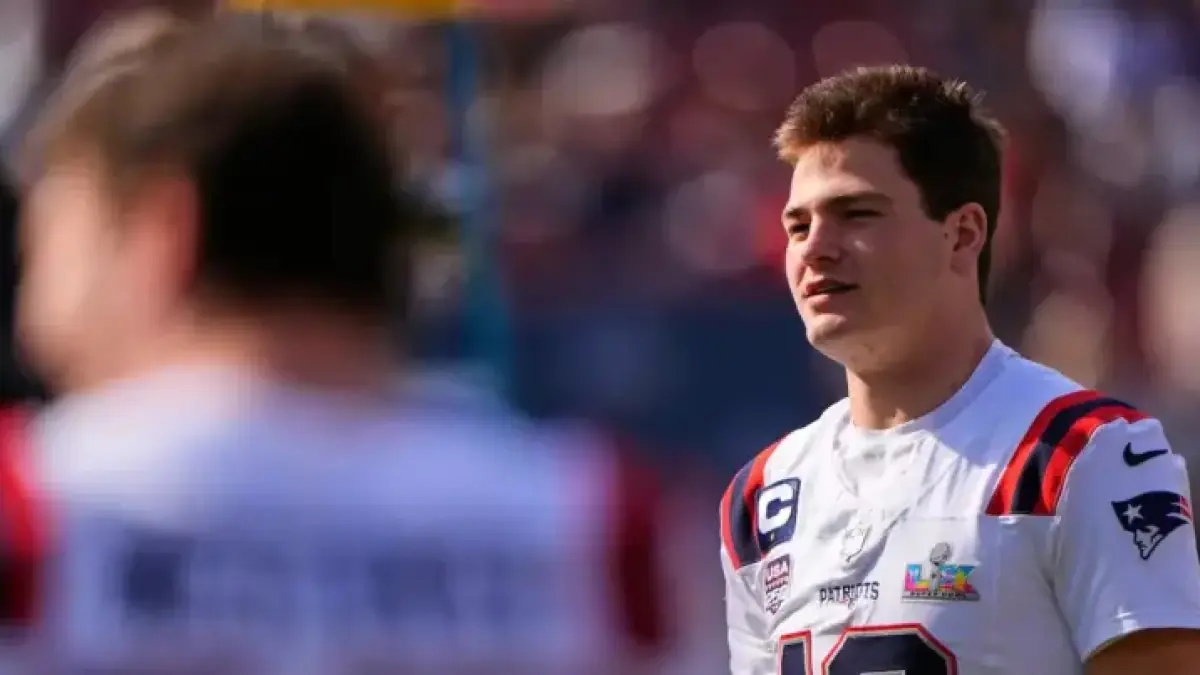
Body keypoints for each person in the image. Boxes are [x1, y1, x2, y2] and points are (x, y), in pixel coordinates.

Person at [1, 11, 669, 673]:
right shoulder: (595, 526)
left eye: (47, 247)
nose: (34, 320)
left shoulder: (35, 513)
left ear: (164, 233)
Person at [719, 65, 1200, 675]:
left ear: (962, 233)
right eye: (798, 225)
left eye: (856, 213)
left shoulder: (1085, 454)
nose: (815, 247)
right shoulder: (764, 494)